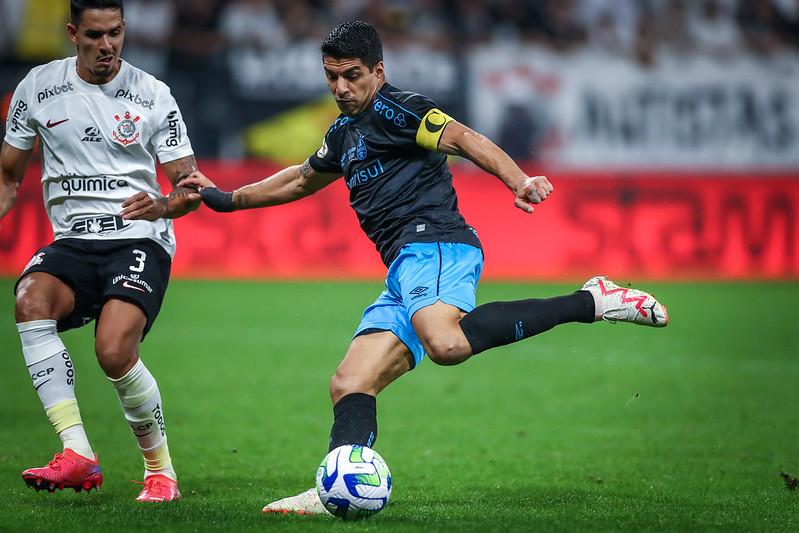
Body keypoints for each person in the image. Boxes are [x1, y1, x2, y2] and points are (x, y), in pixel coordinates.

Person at [181, 20, 669, 514]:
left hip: (435, 244)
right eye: (332, 77)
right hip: (402, 267)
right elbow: (302, 179)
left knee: (447, 343)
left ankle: (592, 300)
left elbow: (465, 138)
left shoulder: (401, 109)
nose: (341, 88)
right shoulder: (344, 132)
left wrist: (517, 180)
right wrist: (228, 198)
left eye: (352, 75)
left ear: (378, 70)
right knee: (350, 383)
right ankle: (335, 489)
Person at [0, 0, 200, 502]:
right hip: (73, 241)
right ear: (72, 33)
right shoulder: (38, 88)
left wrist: (161, 205)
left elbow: (189, 187)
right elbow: (8, 176)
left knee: (113, 352)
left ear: (125, 30)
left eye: (114, 33)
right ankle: (77, 453)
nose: (106, 45)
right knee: (29, 300)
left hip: (138, 238)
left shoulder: (153, 95)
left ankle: (161, 472)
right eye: (93, 35)